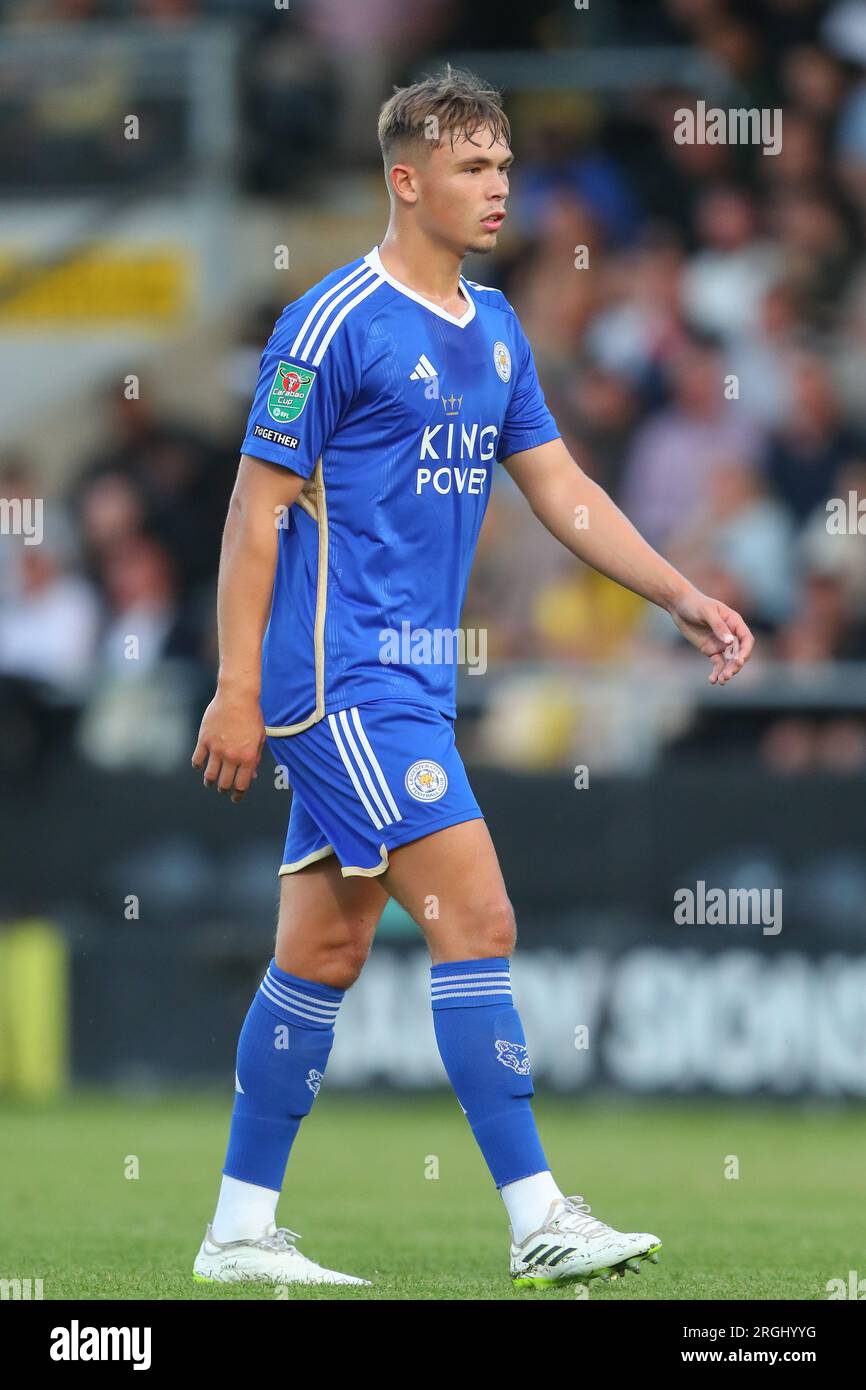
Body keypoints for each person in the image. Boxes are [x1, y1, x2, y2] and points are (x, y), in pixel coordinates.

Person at [190, 66, 754, 1289]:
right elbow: (253, 514)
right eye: (472, 167)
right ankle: (536, 1211)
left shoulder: (495, 328)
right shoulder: (330, 323)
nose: (500, 187)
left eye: (503, 165)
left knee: (323, 955)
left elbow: (563, 491)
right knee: (480, 919)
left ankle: (237, 1229)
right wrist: (236, 689)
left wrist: (679, 594)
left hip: (409, 690)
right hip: (339, 683)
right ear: (407, 181)